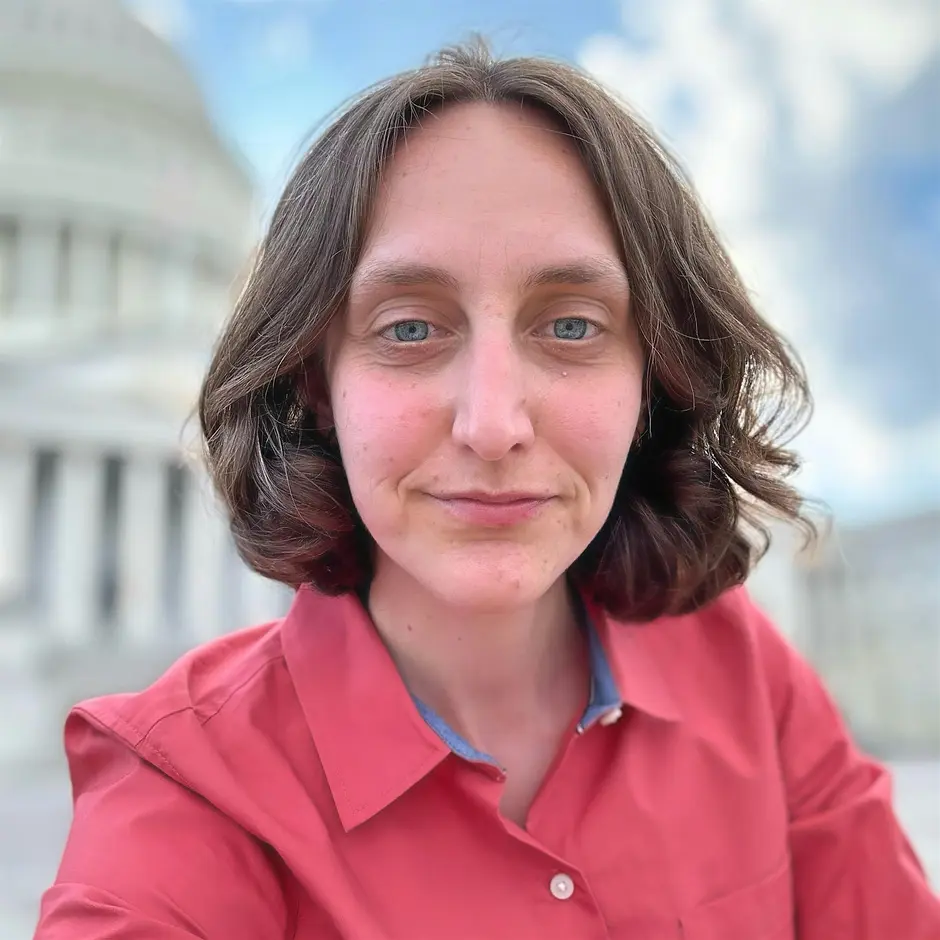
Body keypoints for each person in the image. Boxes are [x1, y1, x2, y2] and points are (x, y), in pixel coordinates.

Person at [35, 41, 939, 940]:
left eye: (573, 325)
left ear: (653, 380)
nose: (493, 423)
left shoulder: (743, 672)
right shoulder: (186, 792)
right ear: (316, 381)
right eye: (412, 326)